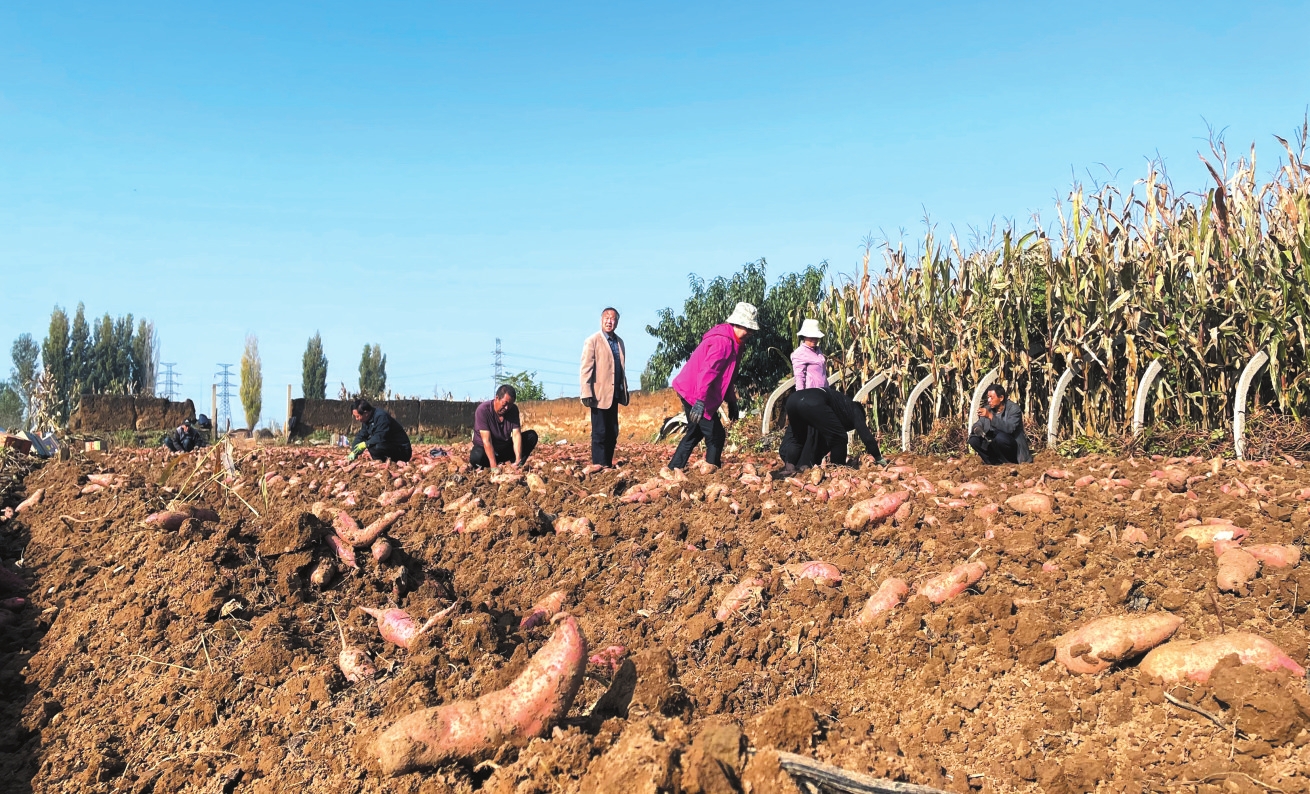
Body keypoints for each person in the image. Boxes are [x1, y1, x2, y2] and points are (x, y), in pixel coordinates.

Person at [668, 302, 758, 470]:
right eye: (748, 328)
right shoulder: (723, 342)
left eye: (752, 329)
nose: (750, 333)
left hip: (693, 390)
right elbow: (707, 373)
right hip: (694, 391)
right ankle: (712, 470)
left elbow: (727, 376)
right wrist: (700, 401)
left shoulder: (737, 344)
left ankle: (674, 468)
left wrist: (731, 401)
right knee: (716, 435)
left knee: (696, 432)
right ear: (737, 323)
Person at [779, 388, 885, 471]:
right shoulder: (855, 409)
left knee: (798, 439)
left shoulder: (840, 403)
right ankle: (837, 470)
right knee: (840, 438)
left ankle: (790, 467)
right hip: (812, 402)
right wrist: (878, 457)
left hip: (793, 400)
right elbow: (866, 436)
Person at [580, 307, 629, 467]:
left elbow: (620, 368)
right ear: (601, 320)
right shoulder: (592, 341)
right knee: (600, 432)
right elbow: (586, 368)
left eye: (612, 319)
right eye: (606, 318)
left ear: (617, 322)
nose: (609, 321)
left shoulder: (619, 342)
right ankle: (599, 466)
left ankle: (607, 464)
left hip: (614, 394)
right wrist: (586, 392)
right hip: (598, 395)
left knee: (612, 432)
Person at [471, 384, 539, 469]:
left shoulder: (513, 410)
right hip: (486, 451)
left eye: (510, 404)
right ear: (497, 398)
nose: (507, 408)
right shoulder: (483, 410)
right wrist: (494, 467)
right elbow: (487, 441)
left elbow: (516, 435)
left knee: (531, 436)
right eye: (504, 404)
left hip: (502, 449)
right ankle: (490, 466)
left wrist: (518, 458)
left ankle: (516, 465)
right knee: (476, 456)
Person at [968, 384, 1033, 464]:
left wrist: (990, 416)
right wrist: (977, 428)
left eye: (991, 397)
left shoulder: (1014, 409)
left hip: (1012, 448)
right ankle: (993, 462)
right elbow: (979, 423)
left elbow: (1009, 428)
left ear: (1001, 398)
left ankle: (1009, 462)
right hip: (995, 446)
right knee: (973, 440)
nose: (989, 400)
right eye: (988, 397)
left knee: (1000, 437)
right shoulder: (988, 409)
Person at [349, 398, 413, 463]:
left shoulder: (381, 417)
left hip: (402, 450)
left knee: (374, 445)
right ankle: (382, 461)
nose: (356, 419)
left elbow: (380, 436)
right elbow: (361, 435)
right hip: (389, 446)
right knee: (372, 445)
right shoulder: (366, 421)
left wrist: (365, 444)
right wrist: (354, 451)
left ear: (366, 413)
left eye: (358, 416)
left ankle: (386, 461)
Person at [790, 318, 828, 390]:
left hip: (824, 392)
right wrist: (801, 395)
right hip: (811, 393)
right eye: (811, 337)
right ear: (804, 336)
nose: (814, 339)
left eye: (816, 337)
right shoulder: (800, 353)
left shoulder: (818, 351)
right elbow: (799, 377)